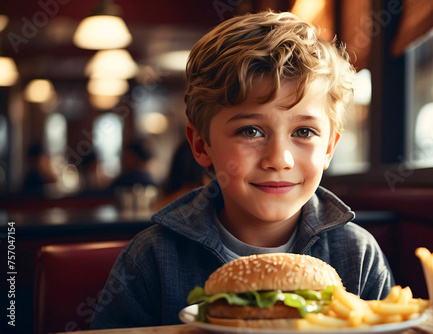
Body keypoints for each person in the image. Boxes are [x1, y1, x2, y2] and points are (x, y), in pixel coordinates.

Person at [91, 11, 394, 329]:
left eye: (304, 132)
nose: (280, 159)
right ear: (200, 145)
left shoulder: (359, 256)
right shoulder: (150, 259)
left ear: (329, 147)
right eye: (251, 131)